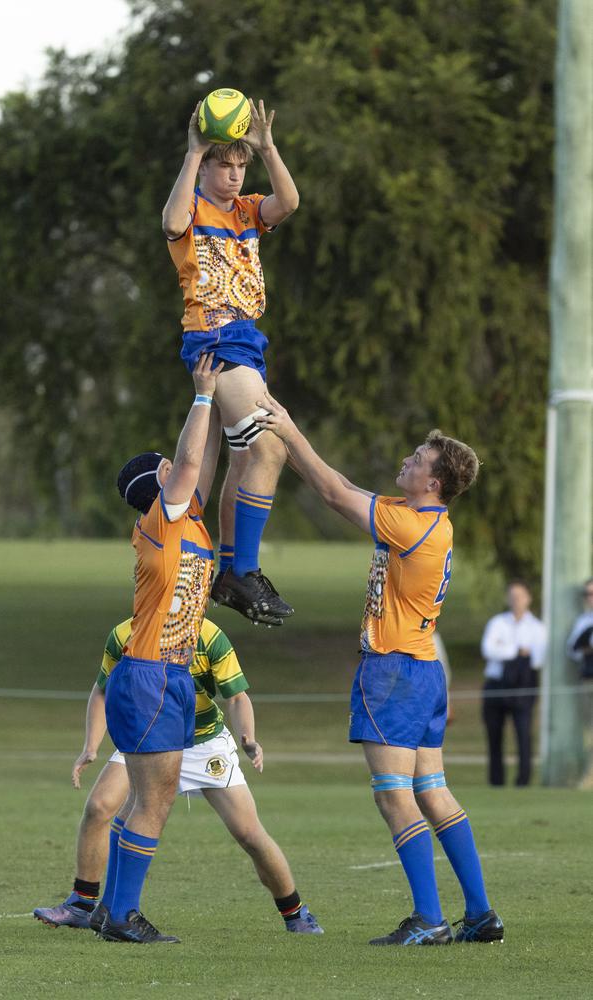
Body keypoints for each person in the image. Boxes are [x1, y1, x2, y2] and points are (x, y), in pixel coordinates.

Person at [255, 395, 503, 946]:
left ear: (434, 482)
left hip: (393, 672)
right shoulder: (425, 519)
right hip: (423, 672)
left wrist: (289, 431)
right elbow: (338, 482)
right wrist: (286, 445)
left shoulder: (412, 526)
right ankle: (481, 914)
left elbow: (333, 493)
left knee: (394, 795)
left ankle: (430, 919)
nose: (408, 461)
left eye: (419, 458)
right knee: (433, 792)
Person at [33, 617, 321, 937]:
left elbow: (237, 697)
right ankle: (83, 904)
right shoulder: (126, 633)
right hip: (150, 736)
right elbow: (102, 690)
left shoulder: (210, 637)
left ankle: (295, 913)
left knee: (249, 834)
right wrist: (90, 746)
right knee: (100, 805)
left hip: (202, 742)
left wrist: (248, 738)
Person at [98, 352, 223, 944]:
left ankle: (111, 911)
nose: (185, 471)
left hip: (165, 675)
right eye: (172, 469)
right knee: (157, 798)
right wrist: (200, 394)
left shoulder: (189, 522)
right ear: (160, 483)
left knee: (147, 799)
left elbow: (207, 461)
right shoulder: (162, 519)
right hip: (149, 674)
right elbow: (193, 458)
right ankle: (122, 914)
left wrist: (225, 401)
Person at [162, 97, 300, 627]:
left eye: (241, 166)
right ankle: (244, 568)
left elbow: (288, 202)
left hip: (247, 340)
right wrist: (194, 152)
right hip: (217, 339)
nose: (236, 176)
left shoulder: (247, 212)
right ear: (208, 166)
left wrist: (268, 147)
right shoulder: (193, 209)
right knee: (269, 446)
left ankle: (221, 568)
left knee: (237, 460)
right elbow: (171, 220)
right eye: (228, 165)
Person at [480, 581, 547, 787]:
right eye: (512, 596)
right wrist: (517, 651)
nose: (516, 600)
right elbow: (488, 649)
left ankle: (523, 781)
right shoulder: (497, 623)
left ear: (528, 598)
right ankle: (496, 782)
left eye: (520, 596)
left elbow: (537, 658)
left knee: (524, 733)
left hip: (523, 686)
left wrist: (505, 648)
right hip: (496, 684)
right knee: (494, 735)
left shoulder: (537, 628)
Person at [566, 577, 593, 679]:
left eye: (592, 593)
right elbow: (571, 650)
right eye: (587, 594)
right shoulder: (583, 621)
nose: (590, 598)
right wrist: (587, 650)